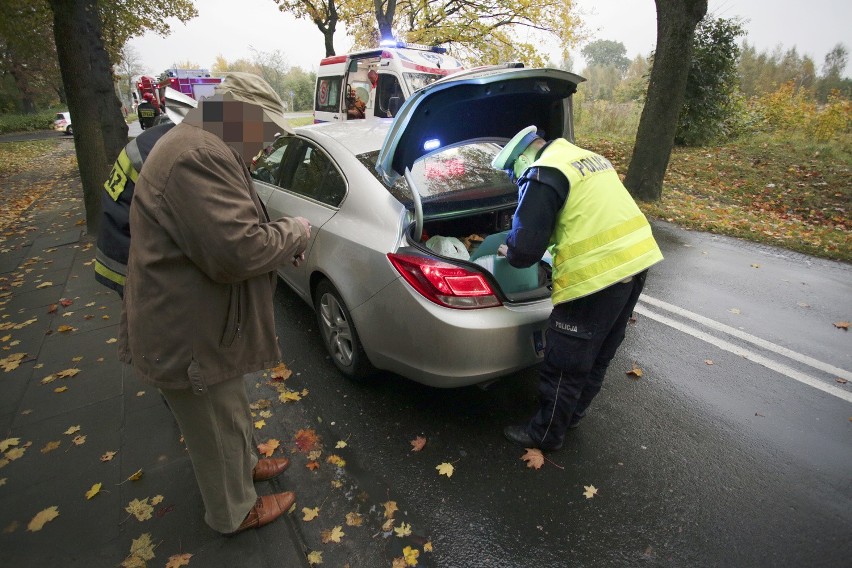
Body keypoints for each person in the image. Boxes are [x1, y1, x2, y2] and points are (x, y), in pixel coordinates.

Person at [118, 72, 312, 535]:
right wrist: (296, 233)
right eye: (264, 131)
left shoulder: (204, 141)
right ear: (239, 118)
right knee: (212, 422)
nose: (265, 144)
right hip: (187, 332)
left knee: (227, 408)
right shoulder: (199, 154)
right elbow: (237, 251)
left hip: (198, 321)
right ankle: (234, 510)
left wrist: (276, 241)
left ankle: (243, 466)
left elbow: (231, 233)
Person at [494, 125, 664, 452]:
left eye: (512, 172)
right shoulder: (584, 157)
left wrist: (508, 249)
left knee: (566, 360)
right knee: (598, 353)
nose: (516, 179)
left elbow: (524, 251)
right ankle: (571, 413)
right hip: (636, 261)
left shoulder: (541, 173)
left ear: (520, 159)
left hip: (597, 276)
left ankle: (546, 433)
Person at [96, 87, 197, 297]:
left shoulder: (153, 138)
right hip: (126, 251)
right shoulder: (171, 153)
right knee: (147, 313)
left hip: (116, 234)